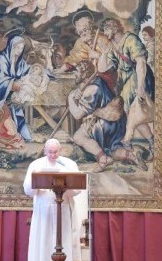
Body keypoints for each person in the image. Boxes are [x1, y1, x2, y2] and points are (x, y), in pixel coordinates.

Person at [23, 139, 85, 261]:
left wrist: (65, 190)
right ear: (45, 151)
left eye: (55, 152)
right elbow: (27, 189)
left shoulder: (69, 164)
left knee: (64, 242)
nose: (52, 155)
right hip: (43, 211)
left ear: (60, 150)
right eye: (49, 152)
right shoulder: (36, 165)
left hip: (63, 208)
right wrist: (38, 184)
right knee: (43, 243)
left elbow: (77, 187)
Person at [67, 59, 146, 172]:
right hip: (118, 123)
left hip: (105, 123)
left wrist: (71, 99)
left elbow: (77, 115)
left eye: (77, 71)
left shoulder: (92, 89)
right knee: (112, 149)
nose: (74, 73)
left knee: (78, 137)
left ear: (84, 74)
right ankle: (132, 155)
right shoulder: (99, 81)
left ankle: (103, 159)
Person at [99, 18, 155, 157]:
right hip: (125, 80)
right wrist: (104, 54)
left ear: (113, 27)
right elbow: (102, 68)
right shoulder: (113, 45)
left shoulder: (131, 39)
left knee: (127, 111)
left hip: (138, 76)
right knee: (133, 114)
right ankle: (152, 142)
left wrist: (141, 86)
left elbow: (141, 63)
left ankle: (127, 141)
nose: (105, 34)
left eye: (106, 30)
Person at [55, 11, 116, 92]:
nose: (83, 34)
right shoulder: (80, 43)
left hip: (103, 80)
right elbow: (73, 59)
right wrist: (61, 70)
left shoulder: (103, 40)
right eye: (80, 32)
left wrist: (98, 56)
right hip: (87, 79)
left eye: (85, 30)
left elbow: (112, 63)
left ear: (91, 27)